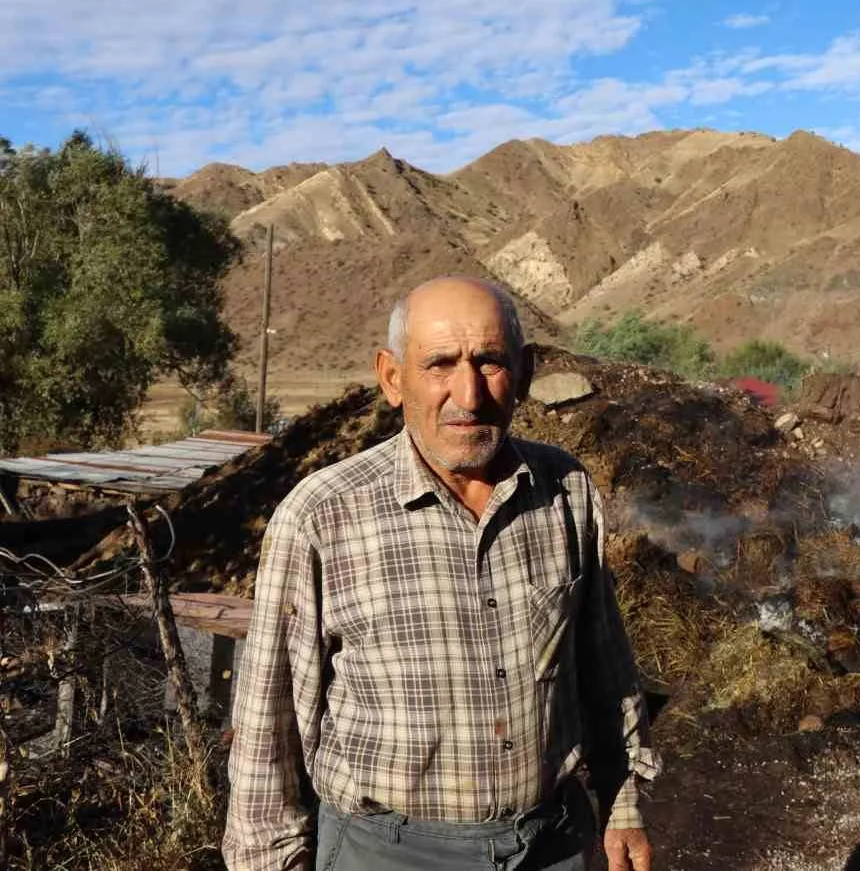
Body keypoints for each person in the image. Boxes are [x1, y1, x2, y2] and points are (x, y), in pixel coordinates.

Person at [222, 277, 658, 871]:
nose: (469, 395)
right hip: (387, 852)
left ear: (525, 373)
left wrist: (623, 803)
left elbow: (606, 669)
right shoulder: (322, 514)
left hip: (550, 843)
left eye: (489, 362)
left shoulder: (565, 490)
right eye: (440, 365)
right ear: (392, 378)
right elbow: (266, 720)